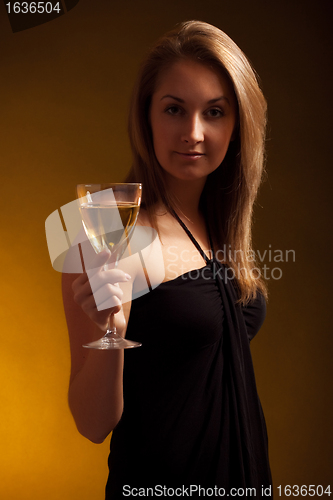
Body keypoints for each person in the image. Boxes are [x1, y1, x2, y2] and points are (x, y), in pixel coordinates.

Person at [62, 20, 272, 498]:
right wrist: (113, 329)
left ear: (238, 125)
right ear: (147, 116)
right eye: (174, 109)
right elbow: (93, 424)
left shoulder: (224, 226)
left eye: (215, 112)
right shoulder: (106, 229)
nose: (193, 132)